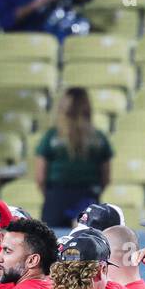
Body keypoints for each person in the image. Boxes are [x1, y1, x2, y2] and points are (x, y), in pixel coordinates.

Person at [35, 88, 112, 228]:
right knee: (88, 242)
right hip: (88, 195)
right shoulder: (98, 139)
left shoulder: (51, 137)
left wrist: (52, 196)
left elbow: (40, 177)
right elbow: (106, 177)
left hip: (56, 196)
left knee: (52, 242)